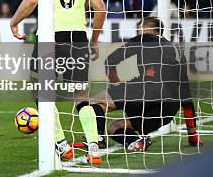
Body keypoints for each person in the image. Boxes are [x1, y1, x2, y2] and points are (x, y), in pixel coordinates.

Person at [10, 0, 107, 164]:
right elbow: (101, 8)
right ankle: (94, 148)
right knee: (81, 94)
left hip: (50, 36)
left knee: (40, 91)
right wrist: (93, 41)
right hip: (77, 37)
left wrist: (14, 22)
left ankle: (62, 145)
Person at [83, 17, 201, 152]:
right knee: (114, 127)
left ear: (148, 30)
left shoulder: (144, 38)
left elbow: (110, 61)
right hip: (167, 110)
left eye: (139, 30)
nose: (138, 33)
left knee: (94, 103)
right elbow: (186, 99)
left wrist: (115, 86)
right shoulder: (178, 52)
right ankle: (137, 141)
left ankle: (98, 140)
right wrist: (193, 135)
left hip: (147, 89)